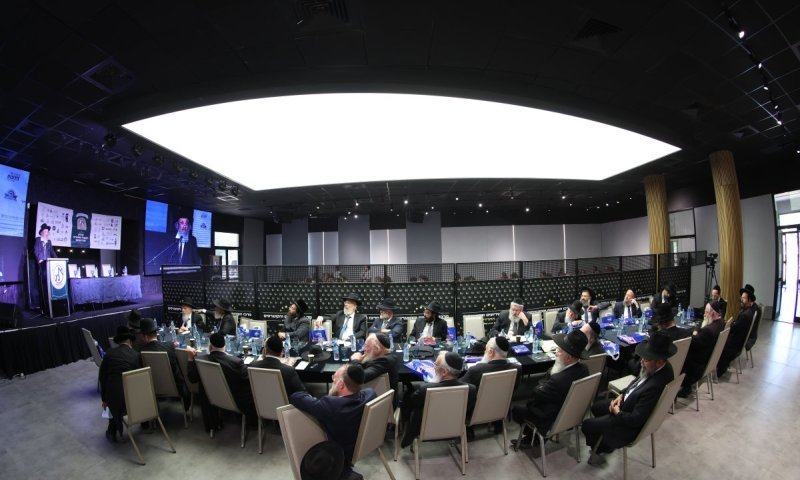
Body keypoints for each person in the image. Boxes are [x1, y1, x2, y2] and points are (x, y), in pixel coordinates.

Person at [582, 332, 676, 464]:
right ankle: (603, 439)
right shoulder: (659, 367)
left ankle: (603, 446)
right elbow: (637, 382)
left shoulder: (656, 385)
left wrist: (617, 413)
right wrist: (622, 395)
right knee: (596, 407)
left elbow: (636, 419)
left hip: (626, 422)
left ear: (660, 361)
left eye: (646, 360)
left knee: (586, 425)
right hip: (626, 403)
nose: (641, 362)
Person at [290, 364, 376, 478]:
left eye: (334, 378)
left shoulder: (331, 406)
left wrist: (312, 399)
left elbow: (296, 397)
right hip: (364, 446)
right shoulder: (371, 394)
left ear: (341, 385)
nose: (332, 381)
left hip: (338, 455)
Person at [511, 330, 589, 448]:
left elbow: (536, 392)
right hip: (570, 415)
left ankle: (534, 438)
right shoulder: (584, 369)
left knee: (516, 410)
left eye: (559, 350)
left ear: (568, 358)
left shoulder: (558, 379)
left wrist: (551, 374)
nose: (556, 353)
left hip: (550, 416)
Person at [400, 351, 477, 448]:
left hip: (426, 430)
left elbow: (410, 405)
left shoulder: (424, 390)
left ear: (444, 372)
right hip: (454, 429)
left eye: (435, 365)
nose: (434, 368)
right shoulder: (471, 389)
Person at [187, 332, 255, 432]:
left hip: (211, 398)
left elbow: (192, 379)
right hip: (235, 400)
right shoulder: (236, 362)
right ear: (225, 344)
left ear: (210, 346)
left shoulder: (201, 361)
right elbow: (249, 380)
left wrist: (190, 359)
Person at [462, 336, 520, 438]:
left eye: (486, 350)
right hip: (500, 410)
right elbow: (513, 390)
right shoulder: (517, 368)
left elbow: (459, 390)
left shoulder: (476, 370)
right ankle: (497, 423)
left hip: (476, 413)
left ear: (491, 352)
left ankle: (468, 430)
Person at [99, 326, 141, 442]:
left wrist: (104, 399)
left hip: (114, 401)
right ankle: (146, 424)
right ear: (131, 342)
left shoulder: (109, 354)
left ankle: (111, 431)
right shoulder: (136, 355)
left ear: (118, 342)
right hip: (134, 401)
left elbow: (102, 378)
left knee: (114, 392)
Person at [138, 317, 190, 408]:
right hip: (176, 387)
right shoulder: (169, 346)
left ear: (144, 337)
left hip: (153, 388)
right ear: (156, 334)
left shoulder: (141, 352)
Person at [677, 301, 725, 397]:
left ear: (713, 313)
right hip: (706, 361)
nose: (704, 314)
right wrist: (696, 330)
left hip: (694, 368)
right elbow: (700, 326)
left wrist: (694, 332)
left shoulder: (708, 331)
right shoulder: (720, 323)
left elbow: (692, 343)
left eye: (706, 312)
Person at [716, 285, 757, 378]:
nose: (741, 300)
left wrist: (729, 325)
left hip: (735, 346)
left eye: (744, 298)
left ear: (749, 300)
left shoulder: (745, 315)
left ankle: (719, 369)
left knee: (718, 341)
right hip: (738, 342)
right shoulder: (748, 312)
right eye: (741, 297)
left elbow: (734, 329)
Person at [350, 333, 399, 405]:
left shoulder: (385, 361)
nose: (364, 349)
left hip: (382, 405)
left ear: (377, 349)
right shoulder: (380, 357)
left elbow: (362, 376)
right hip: (371, 401)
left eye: (367, 346)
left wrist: (355, 361)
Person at [33, 223, 57, 309]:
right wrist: (39, 259)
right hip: (41, 264)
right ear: (42, 232)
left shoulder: (49, 242)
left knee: (49, 283)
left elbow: (52, 252)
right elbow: (36, 250)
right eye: (46, 231)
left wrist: (58, 260)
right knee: (42, 284)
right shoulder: (38, 240)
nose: (47, 233)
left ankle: (49, 303)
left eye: (48, 232)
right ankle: (42, 305)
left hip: (49, 264)